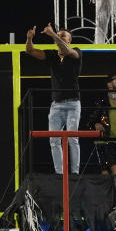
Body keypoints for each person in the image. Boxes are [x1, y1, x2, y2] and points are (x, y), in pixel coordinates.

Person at [25, 24, 84, 174]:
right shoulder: (52, 55)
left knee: (72, 138)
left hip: (73, 103)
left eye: (64, 35)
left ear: (69, 40)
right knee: (54, 140)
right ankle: (60, 174)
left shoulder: (76, 52)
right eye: (59, 35)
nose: (60, 37)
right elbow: (30, 50)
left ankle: (75, 173)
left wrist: (53, 35)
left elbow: (67, 50)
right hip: (56, 105)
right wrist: (29, 38)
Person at [88, 73, 116, 175]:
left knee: (111, 177)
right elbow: (91, 120)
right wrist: (96, 124)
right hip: (106, 143)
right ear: (110, 85)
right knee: (115, 175)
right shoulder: (103, 102)